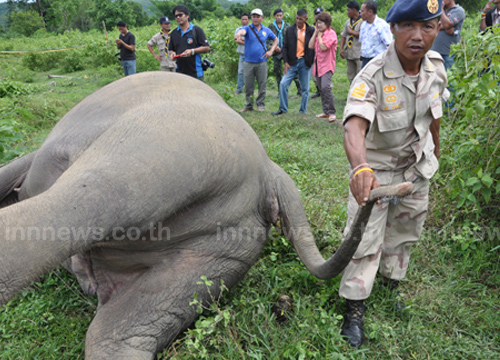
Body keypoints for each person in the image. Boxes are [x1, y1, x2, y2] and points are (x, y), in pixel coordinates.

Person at [340, 0, 449, 348]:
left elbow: (434, 116)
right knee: (365, 238)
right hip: (378, 173)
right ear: (393, 29)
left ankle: (390, 284)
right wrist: (360, 167)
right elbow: (353, 128)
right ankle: (354, 306)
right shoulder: (371, 75)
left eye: (427, 27)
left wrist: (435, 150)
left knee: (406, 228)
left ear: (436, 30)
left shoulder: (435, 66)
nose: (418, 36)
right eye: (409, 27)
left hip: (417, 166)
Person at [271, 9, 315, 115]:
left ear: (306, 19)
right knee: (283, 84)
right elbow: (285, 47)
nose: (298, 21)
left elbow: (314, 47)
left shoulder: (311, 30)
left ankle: (302, 111)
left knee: (305, 88)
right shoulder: (290, 29)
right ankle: (283, 109)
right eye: (296, 18)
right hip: (291, 62)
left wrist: (310, 60)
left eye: (300, 19)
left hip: (305, 62)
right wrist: (286, 62)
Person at [234, 9, 278, 113]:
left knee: (262, 84)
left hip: (262, 62)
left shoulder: (266, 30)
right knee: (249, 85)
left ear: (262, 18)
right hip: (248, 62)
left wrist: (271, 51)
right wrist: (238, 35)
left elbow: (276, 39)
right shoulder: (248, 28)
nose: (255, 18)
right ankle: (249, 105)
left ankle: (261, 104)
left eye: (258, 16)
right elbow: (242, 31)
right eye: (253, 16)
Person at [308, 12, 338, 122]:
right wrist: (315, 33)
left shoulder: (331, 34)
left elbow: (324, 47)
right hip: (318, 65)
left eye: (321, 23)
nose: (319, 25)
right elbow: (310, 46)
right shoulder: (319, 33)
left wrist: (319, 37)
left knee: (326, 87)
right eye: (317, 23)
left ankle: (332, 112)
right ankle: (325, 111)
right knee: (321, 88)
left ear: (327, 23)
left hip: (327, 65)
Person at [168, 4, 210, 80]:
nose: (178, 17)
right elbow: (171, 49)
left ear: (187, 16)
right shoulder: (174, 33)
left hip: (195, 72)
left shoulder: (196, 30)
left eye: (180, 15)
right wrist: (172, 53)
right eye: (176, 16)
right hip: (179, 72)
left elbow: (206, 47)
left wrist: (192, 51)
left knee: (197, 92)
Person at [268, 8, 301, 97]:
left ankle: (300, 89)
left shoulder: (287, 26)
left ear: (283, 16)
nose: (279, 17)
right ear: (274, 16)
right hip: (276, 52)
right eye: (277, 15)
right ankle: (280, 91)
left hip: (287, 51)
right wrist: (274, 47)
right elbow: (268, 40)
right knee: (278, 72)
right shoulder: (271, 27)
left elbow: (292, 38)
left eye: (280, 15)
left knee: (292, 70)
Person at [430, 0, 465, 70]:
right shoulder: (439, 11)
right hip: (433, 52)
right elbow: (430, 25)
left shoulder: (458, 10)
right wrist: (445, 26)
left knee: (449, 78)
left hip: (448, 54)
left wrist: (441, 9)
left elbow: (447, 24)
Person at [359, 1, 392, 68]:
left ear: (370, 12)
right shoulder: (363, 25)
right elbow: (362, 42)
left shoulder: (382, 25)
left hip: (377, 60)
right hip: (365, 60)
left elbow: (389, 45)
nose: (360, 14)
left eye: (362, 11)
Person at [340, 1, 363, 83]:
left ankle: (360, 94)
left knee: (360, 74)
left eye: (348, 10)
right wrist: (341, 49)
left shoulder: (363, 21)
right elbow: (343, 36)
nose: (347, 12)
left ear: (354, 10)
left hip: (359, 53)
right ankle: (352, 93)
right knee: (351, 74)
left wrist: (352, 32)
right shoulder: (348, 22)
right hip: (349, 53)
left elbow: (364, 35)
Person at [310, 7, 324, 99]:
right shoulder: (312, 27)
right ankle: (318, 89)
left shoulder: (325, 26)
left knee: (323, 71)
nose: (318, 16)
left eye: (320, 14)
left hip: (323, 52)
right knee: (314, 72)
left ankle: (324, 90)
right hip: (314, 51)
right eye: (316, 14)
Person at [235, 12, 249, 95]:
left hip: (250, 54)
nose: (244, 21)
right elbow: (237, 40)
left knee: (250, 73)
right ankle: (239, 89)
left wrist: (242, 39)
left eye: (246, 19)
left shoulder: (251, 29)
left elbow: (251, 42)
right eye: (243, 19)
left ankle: (248, 89)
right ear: (241, 20)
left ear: (248, 20)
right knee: (240, 71)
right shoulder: (238, 29)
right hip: (242, 53)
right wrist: (245, 40)